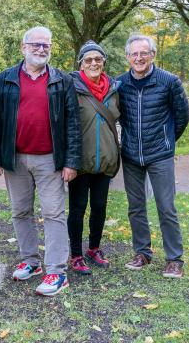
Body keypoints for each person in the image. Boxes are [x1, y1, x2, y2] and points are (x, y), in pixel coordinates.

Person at [0, 26, 81, 296]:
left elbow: (72, 124)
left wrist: (71, 162)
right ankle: (30, 261)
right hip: (15, 159)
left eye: (46, 45)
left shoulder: (62, 81)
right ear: (23, 47)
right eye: (36, 45)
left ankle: (56, 272)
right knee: (20, 211)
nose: (41, 49)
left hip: (51, 160)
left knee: (53, 213)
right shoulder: (5, 79)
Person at [117, 34, 189, 278]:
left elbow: (181, 117)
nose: (139, 58)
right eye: (134, 54)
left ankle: (174, 259)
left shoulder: (169, 81)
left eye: (143, 53)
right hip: (130, 155)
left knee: (166, 207)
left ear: (153, 55)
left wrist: (166, 140)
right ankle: (142, 253)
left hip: (160, 154)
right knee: (136, 207)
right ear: (128, 57)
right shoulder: (120, 84)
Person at [67, 41, 121, 275]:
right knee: (77, 209)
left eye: (98, 59)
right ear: (81, 63)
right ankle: (76, 254)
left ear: (103, 62)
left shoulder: (115, 89)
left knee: (99, 207)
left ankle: (94, 248)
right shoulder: (71, 87)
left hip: (105, 161)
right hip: (80, 161)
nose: (93, 63)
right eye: (88, 60)